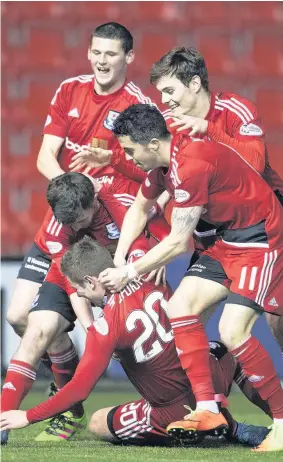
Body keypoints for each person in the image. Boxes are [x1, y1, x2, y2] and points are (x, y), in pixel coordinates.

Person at [2, 21, 159, 444]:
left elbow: (152, 170)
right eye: (96, 52)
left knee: (67, 328)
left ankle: (71, 402)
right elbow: (44, 156)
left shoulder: (138, 105)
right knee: (18, 317)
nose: (101, 61)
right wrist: (69, 189)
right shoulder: (69, 90)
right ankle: (64, 380)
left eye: (110, 54)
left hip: (108, 229)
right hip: (71, 210)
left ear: (128, 57)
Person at [97, 104, 283, 452]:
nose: (127, 157)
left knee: (232, 330)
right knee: (179, 305)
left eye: (130, 149)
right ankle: (208, 409)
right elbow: (140, 207)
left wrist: (128, 272)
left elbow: (179, 241)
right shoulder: (165, 159)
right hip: (226, 240)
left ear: (152, 144)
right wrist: (120, 256)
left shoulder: (190, 165)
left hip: (261, 238)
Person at [0, 237, 271, 448]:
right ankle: (276, 420)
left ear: (92, 281)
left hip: (175, 409)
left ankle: (225, 429)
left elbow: (78, 391)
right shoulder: (145, 268)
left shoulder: (106, 327)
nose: (79, 294)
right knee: (224, 351)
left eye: (78, 288)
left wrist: (27, 416)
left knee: (98, 422)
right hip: (208, 379)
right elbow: (143, 224)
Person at [1, 173, 169, 444]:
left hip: (120, 271)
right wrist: (90, 326)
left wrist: (159, 252)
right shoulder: (58, 227)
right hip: (72, 272)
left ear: (94, 199)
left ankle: (188, 400)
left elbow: (157, 220)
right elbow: (73, 283)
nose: (75, 226)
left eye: (80, 219)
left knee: (142, 346)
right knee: (37, 331)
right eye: (70, 222)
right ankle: (6, 420)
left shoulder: (116, 197)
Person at [151, 46, 283, 351]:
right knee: (183, 321)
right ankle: (210, 396)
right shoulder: (169, 123)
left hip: (262, 228)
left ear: (194, 84)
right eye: (160, 93)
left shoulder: (236, 110)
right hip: (212, 236)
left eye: (169, 90)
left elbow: (255, 164)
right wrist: (160, 198)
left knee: (276, 322)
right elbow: (166, 172)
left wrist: (209, 130)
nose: (164, 101)